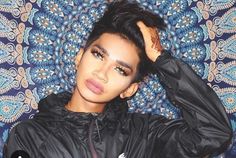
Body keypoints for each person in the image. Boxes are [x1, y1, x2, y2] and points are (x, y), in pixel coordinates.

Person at [3, 0, 232, 158]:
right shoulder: (29, 136)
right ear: (79, 56)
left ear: (130, 89)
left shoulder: (143, 135)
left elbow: (213, 133)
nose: (101, 73)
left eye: (120, 70)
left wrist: (162, 60)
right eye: (98, 55)